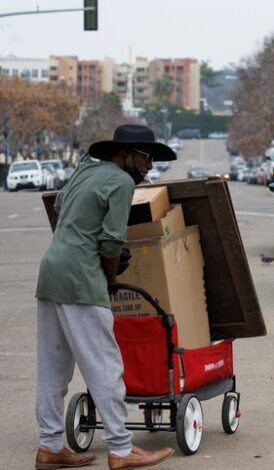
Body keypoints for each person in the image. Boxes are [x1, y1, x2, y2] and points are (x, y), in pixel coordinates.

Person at [34, 125, 177, 470]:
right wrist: (110, 278)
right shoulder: (121, 182)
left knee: (53, 369)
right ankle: (121, 449)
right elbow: (112, 242)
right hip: (81, 278)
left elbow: (63, 207)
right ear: (124, 154)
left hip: (51, 271)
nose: (150, 166)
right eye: (146, 158)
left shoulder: (85, 171)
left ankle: (49, 446)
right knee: (105, 366)